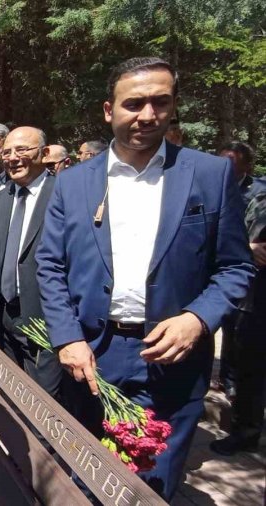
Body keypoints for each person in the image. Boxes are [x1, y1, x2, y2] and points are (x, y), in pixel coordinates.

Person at [36, 57, 255, 501]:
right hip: (92, 358)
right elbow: (50, 265)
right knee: (86, 479)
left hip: (173, 362)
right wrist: (67, 338)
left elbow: (236, 267)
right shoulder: (73, 183)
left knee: (151, 488)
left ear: (173, 106)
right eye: (134, 103)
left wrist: (197, 319)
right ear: (108, 110)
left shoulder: (209, 175)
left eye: (161, 102)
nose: (148, 115)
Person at [0, 127, 62, 398]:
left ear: (44, 153)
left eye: (22, 150)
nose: (13, 158)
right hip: (1, 320)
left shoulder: (63, 195)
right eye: (7, 152)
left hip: (45, 321)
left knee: (44, 404)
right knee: (8, 399)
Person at [209, 192, 266, 456]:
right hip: (249, 298)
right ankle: (245, 428)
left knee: (253, 369)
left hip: (258, 302)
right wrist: (247, 249)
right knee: (247, 366)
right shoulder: (259, 197)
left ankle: (247, 431)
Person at [214, 141, 264, 398]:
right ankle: (223, 377)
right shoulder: (210, 184)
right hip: (217, 266)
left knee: (240, 326)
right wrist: (246, 247)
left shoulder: (259, 192)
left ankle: (233, 381)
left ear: (246, 165)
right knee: (222, 323)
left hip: (250, 276)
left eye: (232, 161)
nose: (225, 165)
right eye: (222, 159)